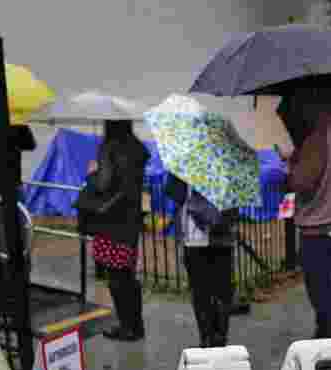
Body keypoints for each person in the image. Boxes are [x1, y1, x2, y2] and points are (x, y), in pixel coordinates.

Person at [280, 87, 331, 344]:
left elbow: (302, 182)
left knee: (324, 293)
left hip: (321, 226)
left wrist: (289, 168)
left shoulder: (318, 138)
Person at [76, 120, 148, 341]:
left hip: (111, 222)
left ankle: (127, 326)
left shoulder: (111, 148)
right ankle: (136, 325)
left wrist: (92, 172)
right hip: (130, 222)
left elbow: (103, 185)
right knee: (127, 276)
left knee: (116, 279)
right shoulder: (136, 148)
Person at [165, 174, 236, 348]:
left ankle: (213, 338)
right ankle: (212, 337)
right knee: (209, 292)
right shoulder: (226, 165)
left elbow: (174, 192)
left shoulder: (188, 163)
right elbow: (174, 192)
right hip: (204, 238)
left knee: (210, 292)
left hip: (212, 237)